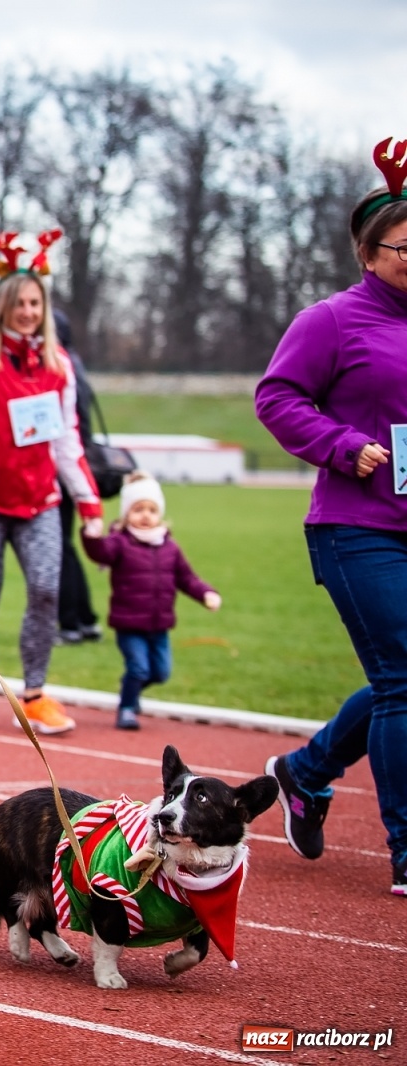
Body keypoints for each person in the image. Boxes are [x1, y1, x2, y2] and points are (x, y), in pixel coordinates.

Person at [254, 153, 407, 897]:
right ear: (368, 254)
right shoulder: (332, 321)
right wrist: (344, 446)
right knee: (403, 679)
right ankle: (406, 847)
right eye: (406, 246)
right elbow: (277, 398)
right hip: (358, 525)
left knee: (399, 678)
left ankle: (305, 771)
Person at [0, 233, 104, 735]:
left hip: (40, 503)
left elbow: (68, 439)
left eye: (36, 303)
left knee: (46, 589)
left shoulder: (59, 365)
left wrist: (89, 502)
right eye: (20, 303)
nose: (29, 312)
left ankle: (34, 694)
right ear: (2, 306)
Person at [80, 472, 221, 730]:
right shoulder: (119, 543)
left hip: (159, 625)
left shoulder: (170, 548)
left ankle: (130, 690)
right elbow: (99, 552)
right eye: (138, 509)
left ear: (160, 514)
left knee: (161, 673)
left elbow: (187, 578)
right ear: (126, 514)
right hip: (129, 624)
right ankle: (126, 708)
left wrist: (206, 594)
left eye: (152, 510)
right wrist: (91, 535)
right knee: (139, 669)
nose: (145, 515)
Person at [52, 309, 102, 645]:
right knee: (64, 546)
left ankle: (70, 622)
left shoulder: (59, 367)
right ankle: (85, 619)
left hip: (62, 467)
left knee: (57, 549)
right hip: (72, 464)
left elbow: (69, 427)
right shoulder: (75, 363)